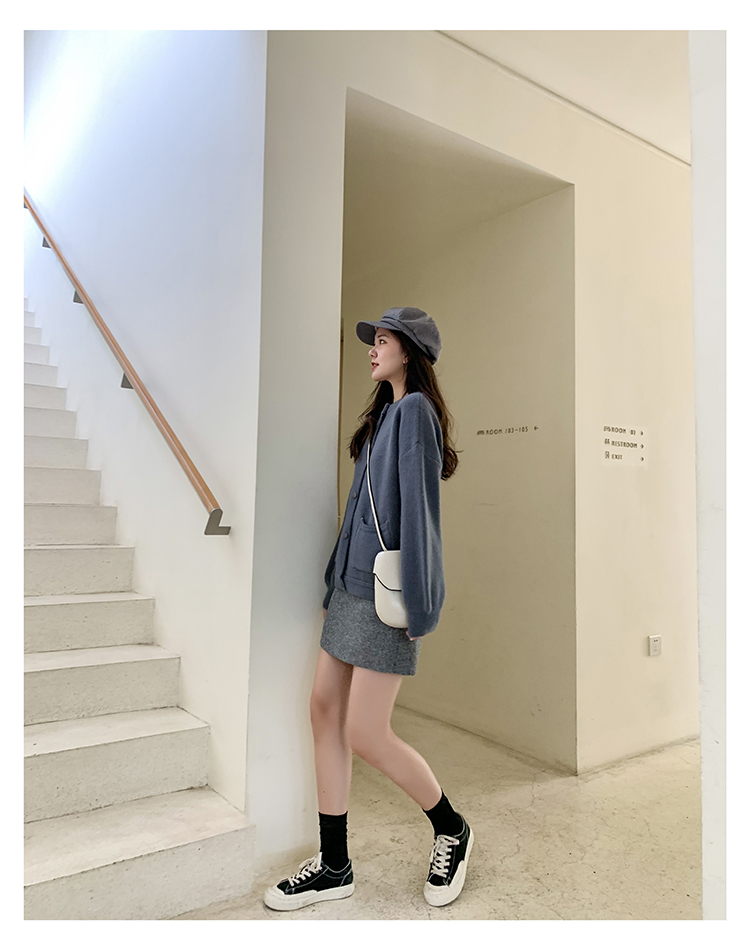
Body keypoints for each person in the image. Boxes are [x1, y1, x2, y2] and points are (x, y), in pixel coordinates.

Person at [263, 307, 473, 913]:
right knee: (323, 709)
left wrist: (421, 606)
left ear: (409, 351)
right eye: (373, 342)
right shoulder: (385, 414)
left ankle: (452, 827)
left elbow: (420, 515)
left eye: (382, 341)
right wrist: (335, 584)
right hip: (352, 590)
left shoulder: (415, 412)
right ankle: (334, 865)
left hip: (386, 598)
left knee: (365, 731)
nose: (373, 350)